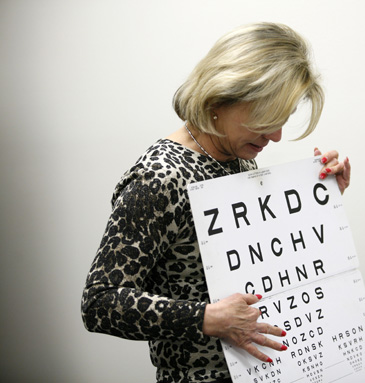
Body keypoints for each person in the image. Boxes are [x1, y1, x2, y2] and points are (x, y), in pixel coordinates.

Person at [81, 22, 351, 383]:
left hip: (268, 371)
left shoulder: (235, 156)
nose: (275, 136)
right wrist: (207, 318)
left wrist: (320, 199)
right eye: (265, 120)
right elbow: (99, 303)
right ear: (221, 97)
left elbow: (258, 255)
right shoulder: (159, 177)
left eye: (281, 121)